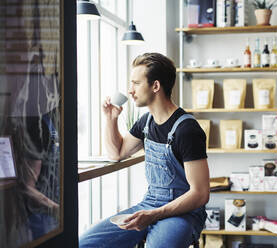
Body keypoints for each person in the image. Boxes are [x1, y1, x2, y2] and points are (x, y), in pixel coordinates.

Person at [79, 53, 210, 248]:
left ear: (155, 86)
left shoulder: (187, 130)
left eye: (136, 83)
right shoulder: (146, 123)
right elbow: (117, 153)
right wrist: (111, 118)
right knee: (85, 243)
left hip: (183, 213)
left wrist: (155, 214)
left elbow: (200, 194)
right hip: (148, 205)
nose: (130, 91)